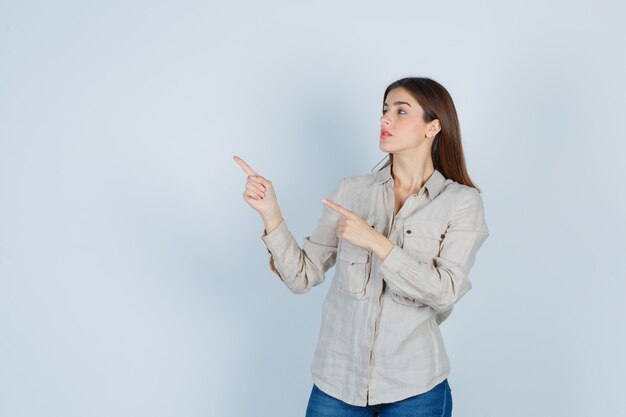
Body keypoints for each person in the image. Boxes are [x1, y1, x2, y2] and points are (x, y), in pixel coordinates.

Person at [234, 76, 489, 417]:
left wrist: (376, 242)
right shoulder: (351, 192)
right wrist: (271, 213)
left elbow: (445, 292)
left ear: (433, 127)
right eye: (385, 110)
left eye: (401, 111)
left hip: (415, 389)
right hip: (336, 384)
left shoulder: (461, 202)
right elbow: (301, 277)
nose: (385, 119)